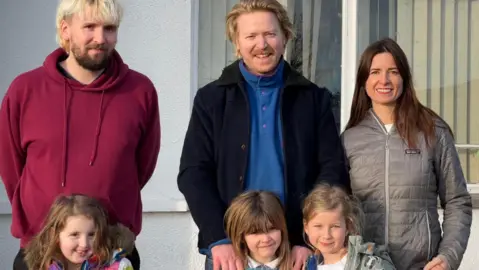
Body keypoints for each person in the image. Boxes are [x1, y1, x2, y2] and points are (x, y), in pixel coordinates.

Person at [177, 0, 349, 269]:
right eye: (251, 36)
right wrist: (217, 238)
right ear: (236, 43)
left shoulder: (313, 99)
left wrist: (308, 239)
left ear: (285, 37)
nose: (262, 44)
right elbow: (193, 173)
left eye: (270, 34)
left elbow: (332, 169)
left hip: (295, 249)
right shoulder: (211, 100)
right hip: (230, 249)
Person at [0, 0, 161, 269]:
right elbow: (10, 165)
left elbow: (142, 165)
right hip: (42, 249)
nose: (101, 38)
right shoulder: (25, 89)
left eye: (109, 28)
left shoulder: (139, 91)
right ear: (65, 30)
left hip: (112, 249)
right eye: (89, 27)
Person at [342, 37, 472, 270]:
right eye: (375, 72)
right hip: (366, 266)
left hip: (422, 265)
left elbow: (457, 201)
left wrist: (448, 257)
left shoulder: (432, 131)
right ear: (364, 80)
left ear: (404, 78)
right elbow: (336, 208)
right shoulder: (350, 139)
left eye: (393, 71)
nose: (384, 80)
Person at [24, 194, 134, 270]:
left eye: (92, 234)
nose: (84, 244)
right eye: (75, 234)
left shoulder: (119, 266)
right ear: (56, 235)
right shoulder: (44, 266)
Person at [302, 184, 395, 270]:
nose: (326, 235)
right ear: (306, 227)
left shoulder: (369, 265)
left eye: (335, 226)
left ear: (348, 227)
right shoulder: (309, 266)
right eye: (318, 226)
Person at [224, 190, 291, 270]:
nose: (265, 239)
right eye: (255, 232)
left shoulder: (303, 265)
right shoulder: (224, 266)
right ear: (241, 236)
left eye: (272, 228)